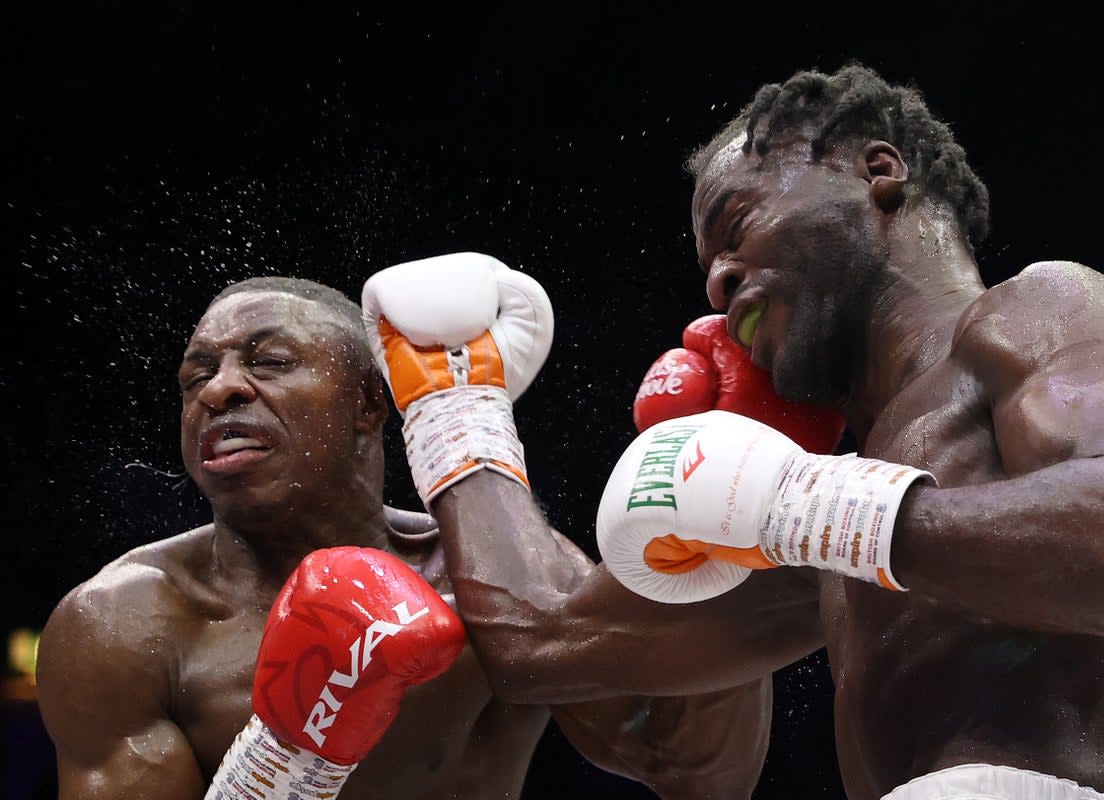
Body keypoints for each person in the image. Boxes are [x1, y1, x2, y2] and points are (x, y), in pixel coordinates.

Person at [380, 64, 1104, 800]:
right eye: (708, 264)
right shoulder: (833, 519)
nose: (717, 278)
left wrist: (799, 501)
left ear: (877, 171)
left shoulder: (1042, 311)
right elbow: (542, 639)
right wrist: (454, 404)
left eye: (737, 224)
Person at [34, 275, 773, 800]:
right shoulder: (125, 624)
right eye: (196, 376)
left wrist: (718, 547)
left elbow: (695, 774)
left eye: (268, 362)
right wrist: (283, 765)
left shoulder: (497, 582)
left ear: (369, 402)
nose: (219, 389)